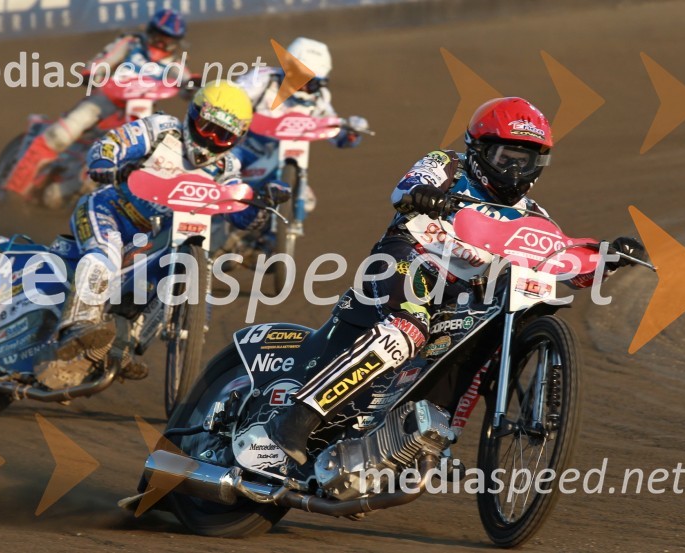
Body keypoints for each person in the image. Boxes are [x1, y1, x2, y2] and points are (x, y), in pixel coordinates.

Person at [267, 97, 646, 464]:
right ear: (479, 148)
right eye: (505, 156)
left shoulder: (533, 215)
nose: (514, 168)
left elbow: (561, 261)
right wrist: (423, 195)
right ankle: (297, 418)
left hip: (462, 297)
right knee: (408, 328)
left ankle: (427, 438)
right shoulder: (446, 163)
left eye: (525, 159)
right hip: (409, 259)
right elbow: (404, 189)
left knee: (490, 338)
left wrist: (607, 258)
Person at [41, 81, 285, 375]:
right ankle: (76, 328)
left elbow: (237, 212)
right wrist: (108, 163)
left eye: (223, 136)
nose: (210, 140)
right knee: (103, 255)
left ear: (238, 138)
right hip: (110, 211)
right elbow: (110, 144)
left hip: (154, 239)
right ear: (193, 115)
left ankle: (118, 348)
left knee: (164, 278)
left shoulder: (226, 168)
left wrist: (262, 205)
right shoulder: (161, 129)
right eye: (207, 127)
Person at [5, 9, 191, 195]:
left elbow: (187, 82)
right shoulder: (131, 43)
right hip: (106, 100)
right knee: (59, 135)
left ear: (176, 42)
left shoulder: (175, 64)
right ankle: (14, 189)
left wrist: (194, 87)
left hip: (140, 112)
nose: (161, 43)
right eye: (158, 36)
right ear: (149, 31)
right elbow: (103, 60)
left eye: (168, 40)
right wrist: (93, 72)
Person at [233, 37, 369, 210]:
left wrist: (349, 134)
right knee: (223, 172)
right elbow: (233, 99)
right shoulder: (263, 79)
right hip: (246, 148)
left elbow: (331, 126)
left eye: (312, 83)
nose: (305, 88)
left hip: (285, 160)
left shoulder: (319, 98)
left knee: (306, 202)